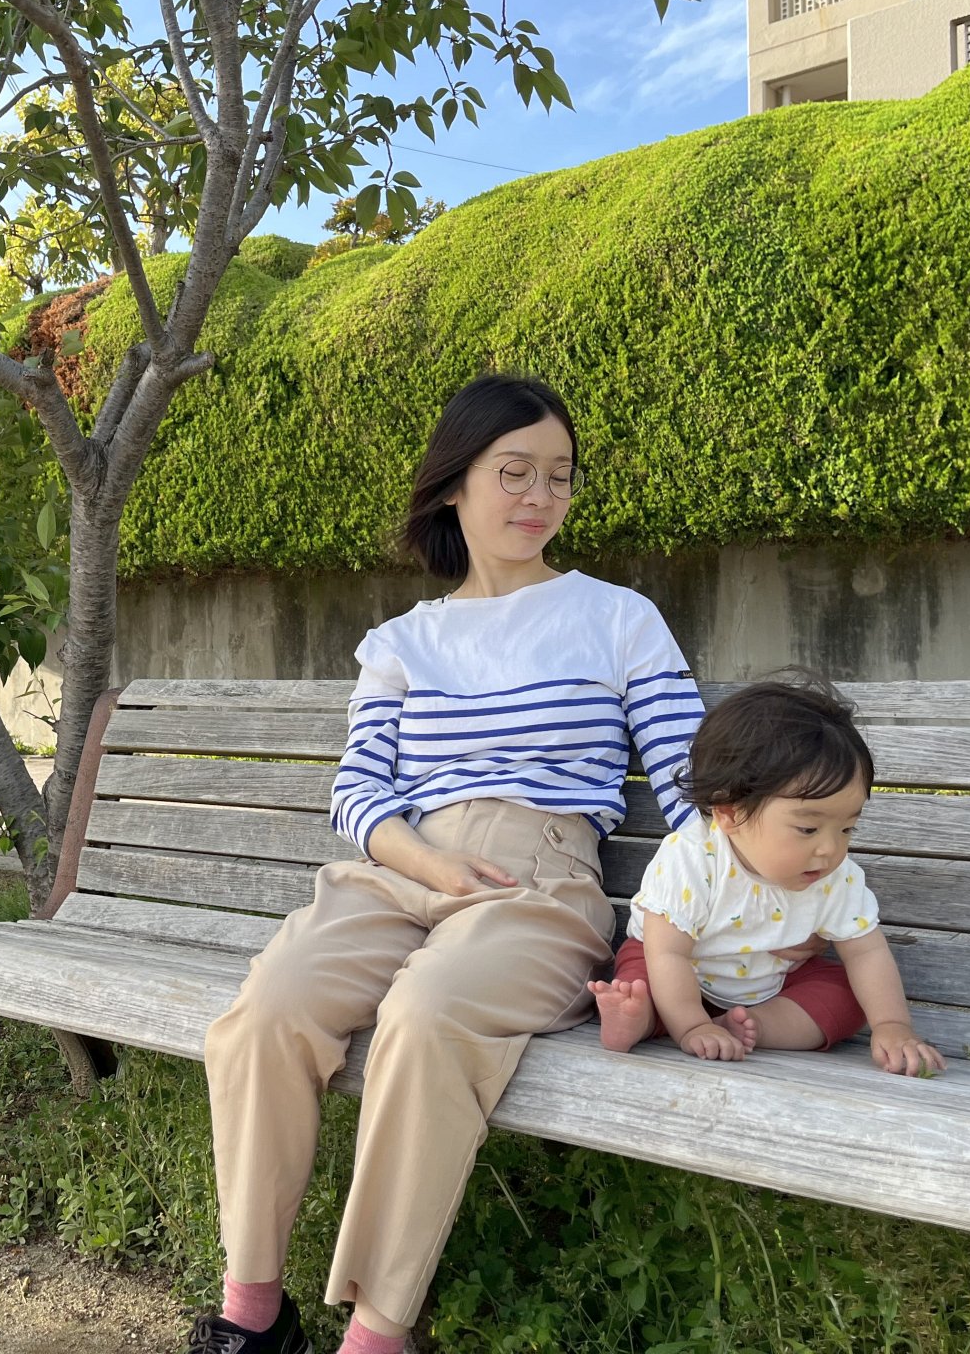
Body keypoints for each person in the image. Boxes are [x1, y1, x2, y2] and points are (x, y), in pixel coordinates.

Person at [190, 374, 705, 1354]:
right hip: (403, 869)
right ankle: (251, 1316)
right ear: (455, 483)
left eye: (559, 475)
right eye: (515, 472)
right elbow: (357, 791)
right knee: (267, 1008)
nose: (540, 496)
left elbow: (689, 781)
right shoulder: (401, 642)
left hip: (540, 881)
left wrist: (749, 914)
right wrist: (427, 862)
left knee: (424, 1016)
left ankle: (377, 1336)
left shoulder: (618, 619)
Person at [588, 674, 946, 1077]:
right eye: (808, 829)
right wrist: (692, 1026)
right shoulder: (693, 859)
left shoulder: (835, 876)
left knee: (845, 993)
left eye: (847, 828)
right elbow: (667, 953)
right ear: (730, 813)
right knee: (640, 979)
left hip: (769, 984)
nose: (830, 849)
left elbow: (866, 952)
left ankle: (755, 1026)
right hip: (675, 967)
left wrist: (892, 1024)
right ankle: (640, 1020)